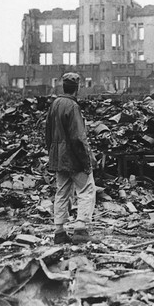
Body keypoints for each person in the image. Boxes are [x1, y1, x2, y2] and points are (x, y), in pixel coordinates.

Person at [45, 72, 97, 244]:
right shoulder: (72, 107)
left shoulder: (55, 104)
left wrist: (53, 153)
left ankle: (59, 231)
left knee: (62, 191)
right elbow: (78, 137)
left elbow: (47, 134)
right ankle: (81, 228)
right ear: (77, 88)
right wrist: (86, 160)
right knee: (87, 189)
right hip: (73, 157)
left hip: (59, 157)